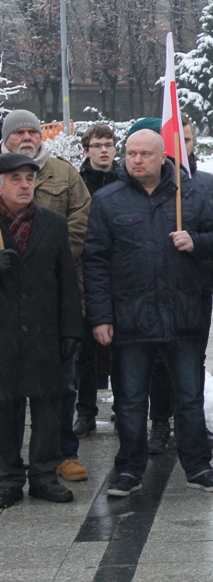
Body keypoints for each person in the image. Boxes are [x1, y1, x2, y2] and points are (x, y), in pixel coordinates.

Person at [84, 127, 213, 497]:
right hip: (130, 317)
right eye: (130, 153)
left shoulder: (192, 196)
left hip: (183, 315)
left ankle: (198, 466)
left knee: (189, 397)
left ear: (162, 156)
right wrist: (100, 317)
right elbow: (96, 262)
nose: (136, 160)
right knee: (131, 400)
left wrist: (195, 241)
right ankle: (129, 469)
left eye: (144, 154)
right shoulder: (107, 200)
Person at [2, 109, 92, 484]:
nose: (25, 185)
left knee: (49, 402)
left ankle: (43, 472)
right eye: (15, 179)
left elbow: (67, 279)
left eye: (29, 179)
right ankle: (7, 475)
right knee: (6, 404)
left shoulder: (52, 223)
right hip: (5, 328)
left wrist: (71, 327)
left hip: (44, 324)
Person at [148, 117, 213, 455]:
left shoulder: (206, 185)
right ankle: (160, 420)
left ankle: (192, 421)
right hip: (154, 288)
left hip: (195, 287)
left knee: (191, 358)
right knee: (157, 359)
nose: (183, 148)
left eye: (189, 140)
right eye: (177, 141)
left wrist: (199, 256)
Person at [73, 124, 120, 442]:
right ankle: (86, 411)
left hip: (118, 273)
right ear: (86, 149)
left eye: (109, 144)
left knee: (120, 348)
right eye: (98, 145)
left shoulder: (124, 180)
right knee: (84, 351)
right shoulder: (77, 183)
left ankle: (123, 407)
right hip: (81, 273)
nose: (104, 150)